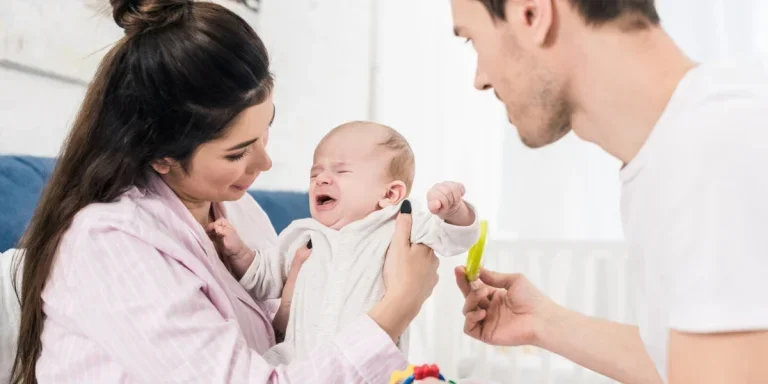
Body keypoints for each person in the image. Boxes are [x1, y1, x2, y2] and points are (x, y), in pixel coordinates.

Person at [9, 1, 439, 383]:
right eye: (237, 154)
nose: (264, 164)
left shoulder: (238, 209)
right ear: (162, 157)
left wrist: (290, 310)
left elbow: (261, 348)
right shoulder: (110, 244)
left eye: (266, 131)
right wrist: (400, 302)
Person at [450, 0, 768, 383]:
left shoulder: (712, 151)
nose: (480, 79)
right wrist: (544, 322)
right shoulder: (682, 144)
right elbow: (690, 363)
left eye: (473, 41)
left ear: (531, 14)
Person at [207, 121, 480, 364]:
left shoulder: (399, 226)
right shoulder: (302, 234)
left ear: (390, 193)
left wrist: (454, 211)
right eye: (315, 174)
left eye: (341, 171)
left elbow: (453, 239)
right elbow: (264, 278)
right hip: (298, 364)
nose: (321, 179)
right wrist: (238, 252)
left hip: (373, 365)